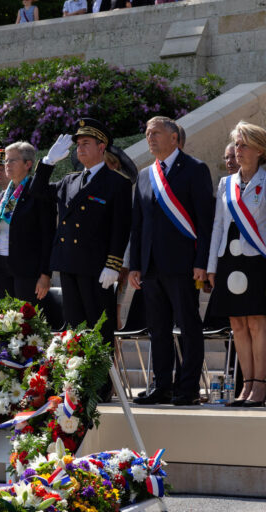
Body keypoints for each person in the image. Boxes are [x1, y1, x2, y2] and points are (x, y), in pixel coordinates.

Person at [28, 120, 132, 390]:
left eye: (86, 143)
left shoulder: (116, 183)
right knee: (75, 326)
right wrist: (48, 162)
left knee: (99, 329)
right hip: (69, 263)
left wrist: (113, 263)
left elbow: (120, 228)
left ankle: (101, 386)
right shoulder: (69, 181)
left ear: (101, 147)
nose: (79, 149)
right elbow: (36, 192)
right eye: (78, 144)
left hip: (97, 267)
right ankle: (77, 382)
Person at [130, 116, 214, 406]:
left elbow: (205, 222)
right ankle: (162, 385)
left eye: (156, 133)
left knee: (189, 327)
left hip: (184, 264)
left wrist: (202, 261)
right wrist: (135, 265)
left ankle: (187, 388)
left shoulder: (195, 169)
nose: (150, 138)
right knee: (159, 330)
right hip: (152, 266)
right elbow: (138, 225)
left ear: (174, 137)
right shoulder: (144, 175)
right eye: (147, 133)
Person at [207, 121, 266, 407]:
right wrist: (211, 266)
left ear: (259, 149)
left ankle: (261, 384)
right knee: (237, 325)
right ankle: (246, 385)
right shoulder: (225, 183)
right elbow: (217, 226)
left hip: (258, 258)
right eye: (236, 145)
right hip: (228, 259)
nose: (238, 151)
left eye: (243, 145)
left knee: (256, 323)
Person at [0, 141, 56, 305]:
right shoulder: (3, 196)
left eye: (12, 160)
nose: (7, 165)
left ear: (28, 164)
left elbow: (47, 235)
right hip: (0, 265)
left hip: (28, 268)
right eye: (6, 161)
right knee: (6, 322)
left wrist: (45, 274)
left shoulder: (38, 193)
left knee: (27, 321)